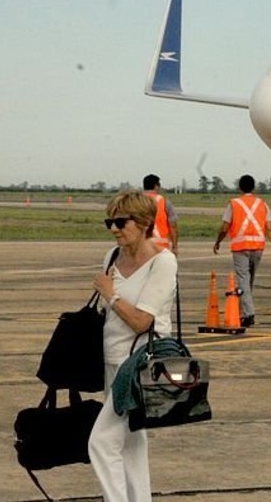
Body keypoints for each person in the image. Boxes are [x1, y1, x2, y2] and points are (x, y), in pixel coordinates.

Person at [88, 190, 177, 501]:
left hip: (139, 365)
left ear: (143, 222)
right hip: (111, 358)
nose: (114, 228)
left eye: (120, 222)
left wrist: (110, 294)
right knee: (131, 442)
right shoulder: (111, 257)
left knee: (100, 441)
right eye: (109, 222)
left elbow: (142, 321)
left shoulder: (163, 262)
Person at [212, 174, 271, 328]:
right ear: (253, 187)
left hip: (240, 247)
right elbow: (269, 227)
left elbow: (225, 227)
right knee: (248, 281)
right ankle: (245, 311)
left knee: (243, 280)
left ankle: (248, 314)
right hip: (258, 247)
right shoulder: (262, 204)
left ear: (240, 187)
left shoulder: (234, 203)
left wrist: (218, 242)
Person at [141, 174, 179, 255]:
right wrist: (175, 247)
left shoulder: (135, 202)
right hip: (161, 247)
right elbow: (173, 226)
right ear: (156, 186)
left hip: (140, 246)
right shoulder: (164, 202)